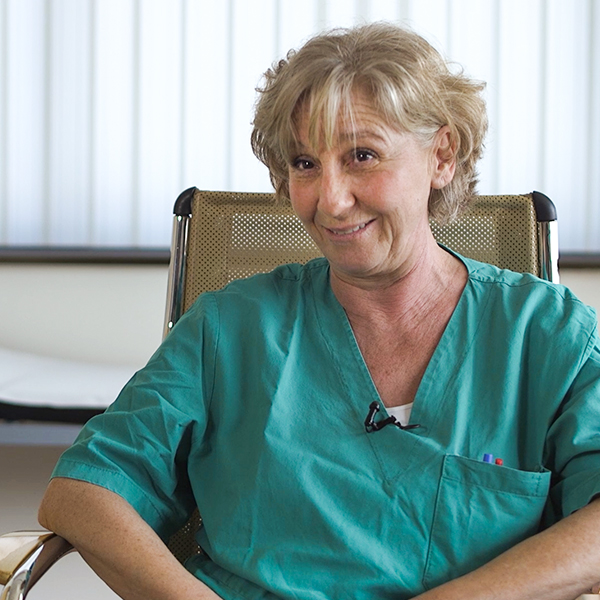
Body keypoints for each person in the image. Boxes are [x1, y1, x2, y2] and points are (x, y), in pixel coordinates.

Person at [38, 22, 600, 600]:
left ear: (442, 155)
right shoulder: (229, 331)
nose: (329, 199)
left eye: (362, 155)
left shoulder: (547, 336)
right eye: (305, 163)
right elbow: (83, 488)